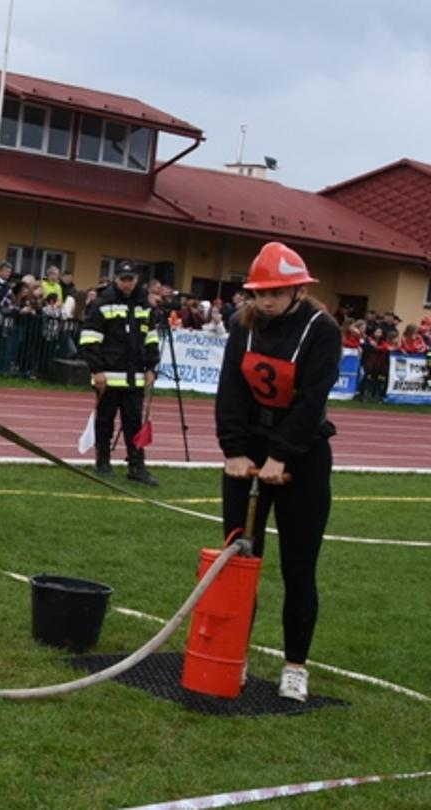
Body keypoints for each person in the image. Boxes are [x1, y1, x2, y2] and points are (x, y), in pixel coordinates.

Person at [215, 242, 339, 703]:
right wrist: (233, 451)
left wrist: (282, 455)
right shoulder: (241, 325)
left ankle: (295, 666)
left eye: (277, 292)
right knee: (239, 562)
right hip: (249, 450)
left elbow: (311, 400)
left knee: (298, 568)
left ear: (298, 290)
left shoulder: (321, 331)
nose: (266, 301)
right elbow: (230, 388)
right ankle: (234, 655)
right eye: (260, 293)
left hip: (302, 457)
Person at [80, 262, 160, 485]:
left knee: (134, 423)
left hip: (135, 377)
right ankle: (102, 462)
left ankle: (137, 466)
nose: (127, 283)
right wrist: (97, 371)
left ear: (137, 280)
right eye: (123, 279)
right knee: (105, 421)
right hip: (108, 376)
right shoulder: (102, 304)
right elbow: (89, 339)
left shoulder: (145, 305)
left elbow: (152, 338)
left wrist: (152, 367)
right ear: (116, 279)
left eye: (130, 279)